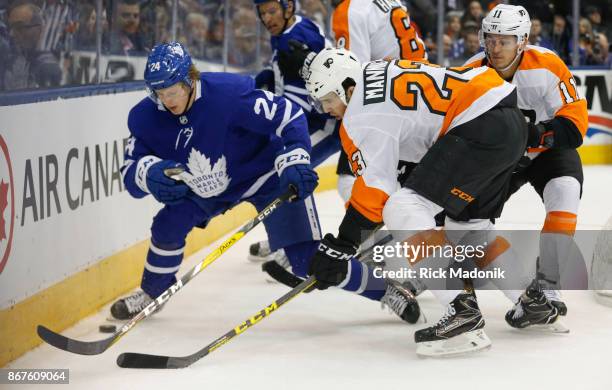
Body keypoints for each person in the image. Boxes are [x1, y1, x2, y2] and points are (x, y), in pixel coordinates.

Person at [111, 42, 418, 324]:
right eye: (159, 92)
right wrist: (147, 174)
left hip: (265, 177)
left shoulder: (228, 95)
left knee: (306, 260)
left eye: (172, 90)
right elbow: (129, 171)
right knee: (167, 224)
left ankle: (385, 289)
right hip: (204, 187)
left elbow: (289, 116)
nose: (166, 100)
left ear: (189, 79)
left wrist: (296, 157)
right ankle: (153, 292)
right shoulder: (144, 118)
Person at [301, 46, 536, 356]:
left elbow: (375, 192)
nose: (327, 109)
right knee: (470, 226)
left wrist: (341, 245)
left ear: (348, 87)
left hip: (475, 126)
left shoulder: (361, 113)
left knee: (401, 208)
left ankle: (462, 314)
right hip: (508, 121)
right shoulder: (378, 70)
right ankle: (532, 301)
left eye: (328, 99)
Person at [462, 4, 589, 325]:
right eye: (490, 39)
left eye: (503, 41)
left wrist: (532, 135)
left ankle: (548, 284)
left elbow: (574, 127)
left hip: (546, 152)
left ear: (522, 41)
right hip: (498, 160)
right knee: (462, 220)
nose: (495, 48)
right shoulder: (471, 72)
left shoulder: (547, 65)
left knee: (565, 192)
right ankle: (439, 275)